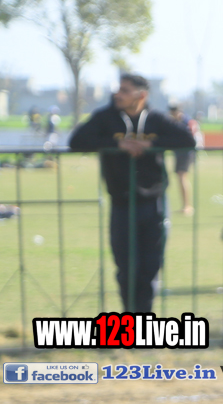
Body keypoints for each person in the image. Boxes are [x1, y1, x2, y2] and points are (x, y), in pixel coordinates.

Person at [69, 73, 196, 313]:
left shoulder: (156, 119)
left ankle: (144, 320)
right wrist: (118, 144)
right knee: (126, 268)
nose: (118, 94)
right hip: (121, 203)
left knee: (150, 266)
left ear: (141, 95)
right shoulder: (106, 118)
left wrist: (150, 144)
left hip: (154, 203)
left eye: (125, 90)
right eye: (118, 89)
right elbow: (77, 141)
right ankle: (129, 318)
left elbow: (187, 139)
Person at [168, 101, 198, 216]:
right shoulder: (174, 122)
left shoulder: (187, 122)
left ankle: (187, 206)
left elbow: (192, 138)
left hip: (186, 153)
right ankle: (185, 205)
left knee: (182, 177)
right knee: (180, 177)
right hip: (179, 153)